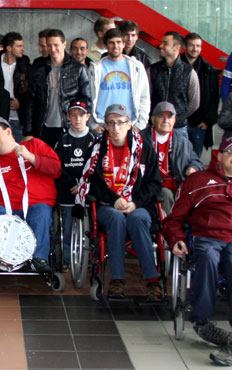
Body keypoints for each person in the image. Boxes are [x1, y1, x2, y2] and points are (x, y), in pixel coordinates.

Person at [162, 136, 232, 366]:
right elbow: (173, 219)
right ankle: (203, 322)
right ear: (220, 155)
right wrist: (176, 239)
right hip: (205, 238)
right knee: (207, 258)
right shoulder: (198, 181)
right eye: (231, 152)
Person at [76, 104, 163, 302]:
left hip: (137, 205)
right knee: (116, 219)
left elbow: (154, 184)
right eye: (111, 123)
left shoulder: (144, 148)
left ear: (130, 124)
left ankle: (152, 280)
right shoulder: (97, 149)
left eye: (121, 123)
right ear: (105, 125)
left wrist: (135, 202)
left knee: (138, 219)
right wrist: (115, 199)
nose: (116, 128)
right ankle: (117, 279)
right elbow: (92, 183)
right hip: (108, 205)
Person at [0, 116, 61, 272]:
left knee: (42, 215)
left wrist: (31, 157)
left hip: (35, 204)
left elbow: (56, 169)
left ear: (8, 131)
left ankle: (39, 259)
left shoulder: (34, 145)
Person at [25, 29, 92, 146]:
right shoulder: (38, 69)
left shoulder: (79, 69)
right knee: (44, 163)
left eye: (56, 45)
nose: (52, 49)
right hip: (43, 128)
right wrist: (28, 132)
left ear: (64, 44)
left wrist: (80, 123)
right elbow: (30, 102)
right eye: (49, 45)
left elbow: (86, 100)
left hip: (69, 127)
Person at [53, 99, 96, 268]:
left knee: (90, 225)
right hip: (68, 190)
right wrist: (72, 182)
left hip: (88, 190)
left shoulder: (94, 139)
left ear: (88, 117)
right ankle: (66, 259)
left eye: (81, 115)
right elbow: (57, 165)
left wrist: (84, 184)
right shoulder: (62, 139)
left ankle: (89, 257)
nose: (77, 119)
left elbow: (97, 165)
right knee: (68, 226)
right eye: (73, 115)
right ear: (68, 117)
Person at [142, 102, 202, 213]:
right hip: (150, 184)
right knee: (165, 194)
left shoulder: (182, 141)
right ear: (153, 119)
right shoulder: (142, 139)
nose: (166, 120)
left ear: (174, 121)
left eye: (170, 117)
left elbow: (196, 161)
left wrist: (193, 167)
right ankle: (168, 226)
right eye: (161, 116)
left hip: (177, 184)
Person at [91, 28, 151, 131]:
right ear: (106, 45)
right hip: (103, 124)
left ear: (124, 44)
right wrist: (93, 125)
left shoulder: (136, 67)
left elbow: (144, 97)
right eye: (111, 43)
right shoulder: (95, 69)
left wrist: (140, 124)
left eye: (119, 42)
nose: (115, 46)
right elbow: (89, 98)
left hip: (129, 125)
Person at [149, 32, 200, 136]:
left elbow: (194, 102)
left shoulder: (189, 72)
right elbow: (146, 97)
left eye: (165, 43)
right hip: (155, 126)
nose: (161, 46)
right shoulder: (152, 70)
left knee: (179, 152)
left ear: (176, 47)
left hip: (179, 128)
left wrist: (177, 116)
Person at [184, 33, 222, 155]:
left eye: (198, 46)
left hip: (199, 124)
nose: (195, 49)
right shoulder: (175, 65)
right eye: (191, 45)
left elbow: (214, 98)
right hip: (177, 123)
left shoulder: (208, 69)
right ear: (185, 46)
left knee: (194, 161)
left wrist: (208, 121)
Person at [0, 32, 30, 139]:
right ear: (9, 48)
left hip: (18, 119)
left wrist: (20, 103)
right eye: (19, 46)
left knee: (17, 153)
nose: (22, 49)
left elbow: (30, 94)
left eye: (22, 45)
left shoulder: (25, 66)